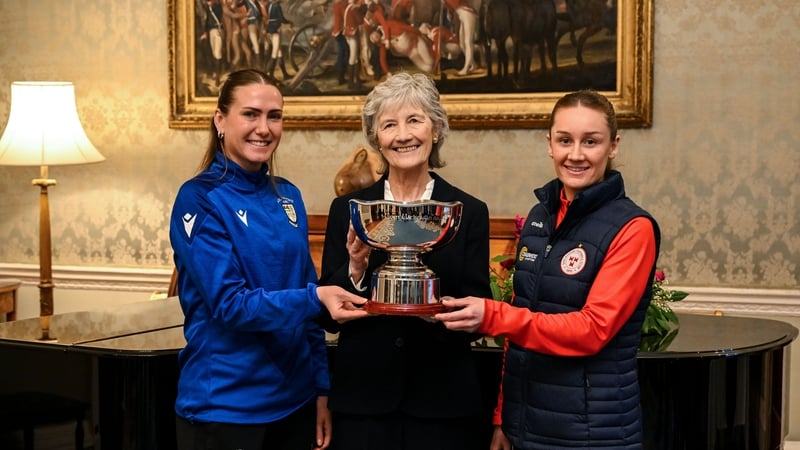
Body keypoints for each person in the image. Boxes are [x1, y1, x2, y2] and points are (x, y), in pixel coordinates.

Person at [436, 89, 661, 450]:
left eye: (591, 141)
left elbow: (592, 330)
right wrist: (502, 417)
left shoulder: (633, 228)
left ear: (613, 146)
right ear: (549, 144)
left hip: (592, 436)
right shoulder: (539, 216)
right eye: (565, 140)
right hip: (524, 428)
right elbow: (520, 323)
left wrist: (493, 315)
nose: (576, 154)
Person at [169, 68, 368, 450]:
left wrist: (321, 388)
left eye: (274, 116)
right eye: (250, 114)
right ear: (220, 120)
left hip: (296, 404)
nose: (264, 128)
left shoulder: (289, 196)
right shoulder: (198, 199)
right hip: (225, 409)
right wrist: (316, 297)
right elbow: (230, 305)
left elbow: (306, 300)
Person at [319, 72, 493, 450]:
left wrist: (438, 312)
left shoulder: (468, 212)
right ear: (376, 137)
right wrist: (356, 268)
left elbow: (479, 313)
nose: (402, 135)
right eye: (389, 125)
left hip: (442, 403)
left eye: (414, 120)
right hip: (363, 402)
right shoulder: (349, 210)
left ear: (436, 128)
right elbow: (326, 317)